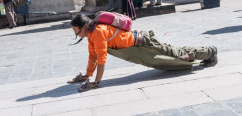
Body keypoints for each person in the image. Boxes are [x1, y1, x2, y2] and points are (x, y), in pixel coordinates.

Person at [67, 14, 217, 92]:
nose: (76, 33)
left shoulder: (98, 32)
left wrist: (97, 82)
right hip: (139, 45)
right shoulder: (92, 35)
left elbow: (101, 58)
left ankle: (211, 52)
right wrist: (87, 75)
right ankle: (203, 55)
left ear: (84, 26)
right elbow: (93, 56)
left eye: (75, 30)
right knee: (176, 56)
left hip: (145, 43)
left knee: (177, 54)